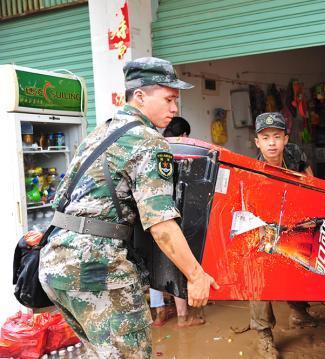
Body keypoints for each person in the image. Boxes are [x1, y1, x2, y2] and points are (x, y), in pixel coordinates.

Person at [39, 57, 218, 358]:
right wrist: (196, 275)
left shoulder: (101, 132)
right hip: (98, 267)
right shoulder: (148, 140)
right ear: (139, 96)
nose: (175, 109)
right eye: (169, 99)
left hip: (56, 264)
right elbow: (160, 225)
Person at [250, 112, 315, 359]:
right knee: (258, 272)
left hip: (295, 216)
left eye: (277, 136)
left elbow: (312, 184)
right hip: (264, 224)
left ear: (286, 138)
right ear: (257, 142)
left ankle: (299, 311)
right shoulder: (252, 168)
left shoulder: (295, 154)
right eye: (265, 138)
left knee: (300, 262)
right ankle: (263, 335)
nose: (271, 143)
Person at [151, 116, 205, 328]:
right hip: (172, 217)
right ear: (183, 135)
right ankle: (183, 317)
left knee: (154, 263)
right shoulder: (182, 151)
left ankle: (159, 314)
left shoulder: (154, 146)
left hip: (150, 217)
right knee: (179, 264)